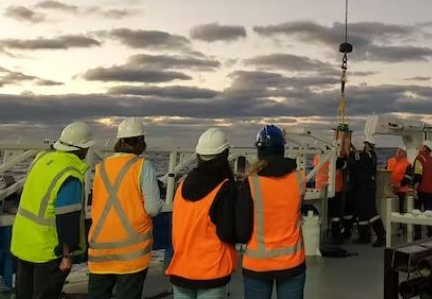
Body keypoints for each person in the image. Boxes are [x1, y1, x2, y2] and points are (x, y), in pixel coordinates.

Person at [11, 121, 94, 299]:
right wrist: (66, 255)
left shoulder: (41, 159)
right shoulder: (70, 173)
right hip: (47, 249)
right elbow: (67, 218)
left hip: (23, 241)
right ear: (83, 148)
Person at [88, 117, 162, 299]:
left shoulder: (101, 167)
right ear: (141, 142)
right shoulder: (142, 166)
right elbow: (152, 208)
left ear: (119, 141)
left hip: (100, 248)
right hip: (132, 252)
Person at [236, 125, 306, 299]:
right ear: (282, 149)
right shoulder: (299, 178)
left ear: (260, 151)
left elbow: (242, 232)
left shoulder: (251, 183)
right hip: (292, 264)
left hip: (257, 266)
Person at [166, 128, 237, 299]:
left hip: (181, 270)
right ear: (225, 154)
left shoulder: (181, 185)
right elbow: (228, 233)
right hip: (212, 272)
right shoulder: (225, 188)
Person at [351, 138, 386, 247]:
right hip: (365, 187)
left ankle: (381, 237)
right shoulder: (372, 155)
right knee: (362, 212)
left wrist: (351, 147)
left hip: (366, 188)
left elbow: (358, 159)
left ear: (367, 145)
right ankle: (364, 236)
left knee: (371, 212)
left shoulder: (368, 155)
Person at [412, 140, 432, 240]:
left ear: (424, 148)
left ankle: (418, 234)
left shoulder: (420, 159)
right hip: (430, 191)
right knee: (429, 212)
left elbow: (418, 175)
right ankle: (430, 232)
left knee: (417, 212)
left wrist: (415, 188)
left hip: (421, 190)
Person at [386, 144, 412, 217]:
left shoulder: (407, 164)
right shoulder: (390, 161)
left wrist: (399, 185)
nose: (398, 152)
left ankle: (401, 224)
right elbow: (385, 173)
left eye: (401, 151)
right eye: (398, 150)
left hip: (401, 190)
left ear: (404, 153)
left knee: (400, 208)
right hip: (390, 189)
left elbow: (408, 178)